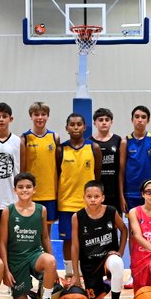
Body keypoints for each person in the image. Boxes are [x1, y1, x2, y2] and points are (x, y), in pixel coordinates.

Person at [0, 172, 60, 299]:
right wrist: (6, 271)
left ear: (34, 189)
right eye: (20, 187)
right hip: (16, 260)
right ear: (15, 190)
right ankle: (34, 291)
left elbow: (45, 237)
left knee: (50, 261)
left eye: (28, 187)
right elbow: (2, 242)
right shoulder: (8, 211)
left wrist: (54, 267)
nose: (24, 190)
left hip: (35, 255)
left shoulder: (41, 210)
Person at [69, 181, 128, 299]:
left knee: (117, 263)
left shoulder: (111, 212)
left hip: (108, 258)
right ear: (83, 197)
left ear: (103, 197)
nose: (93, 199)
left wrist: (120, 252)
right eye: (89, 196)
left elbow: (124, 230)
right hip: (89, 264)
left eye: (96, 196)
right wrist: (75, 274)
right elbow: (75, 246)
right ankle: (106, 285)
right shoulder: (77, 217)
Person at [56, 113, 102, 283]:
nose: (75, 127)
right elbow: (57, 174)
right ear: (67, 128)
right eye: (72, 124)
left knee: (88, 239)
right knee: (68, 239)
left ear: (84, 127)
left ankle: (87, 271)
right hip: (67, 202)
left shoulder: (94, 148)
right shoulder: (61, 149)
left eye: (79, 124)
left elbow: (96, 177)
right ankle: (69, 272)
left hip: (88, 204)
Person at [22, 101, 60, 226]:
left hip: (50, 191)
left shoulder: (55, 137)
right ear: (31, 116)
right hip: (31, 192)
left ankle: (47, 247)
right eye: (36, 114)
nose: (40, 118)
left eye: (43, 114)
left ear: (47, 117)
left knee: (47, 229)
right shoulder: (24, 138)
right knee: (31, 228)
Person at [123, 105, 151, 211]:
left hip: (150, 192)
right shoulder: (125, 141)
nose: (140, 120)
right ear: (132, 119)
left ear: (148, 120)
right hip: (131, 192)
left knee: (150, 225)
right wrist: (121, 195)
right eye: (137, 117)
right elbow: (121, 170)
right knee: (133, 225)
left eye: (143, 117)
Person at [91, 108, 124, 214]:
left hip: (114, 190)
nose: (104, 122)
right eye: (100, 120)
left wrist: (121, 194)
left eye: (107, 119)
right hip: (96, 190)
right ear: (95, 123)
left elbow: (121, 169)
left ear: (111, 122)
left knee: (114, 222)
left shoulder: (118, 140)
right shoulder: (89, 142)